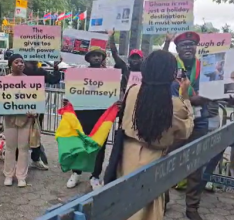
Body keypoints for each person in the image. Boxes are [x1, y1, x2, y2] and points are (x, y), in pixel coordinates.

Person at [118, 50, 194, 220]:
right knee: (146, 209)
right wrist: (185, 96)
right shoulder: (174, 104)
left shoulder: (132, 90)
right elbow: (186, 131)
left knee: (124, 201)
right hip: (152, 158)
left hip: (126, 154)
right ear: (171, 73)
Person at [163, 31, 212, 220]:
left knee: (197, 164)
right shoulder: (171, 65)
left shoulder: (206, 66)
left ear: (196, 47)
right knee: (167, 161)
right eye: (184, 45)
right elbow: (159, 62)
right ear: (178, 49)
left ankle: (192, 208)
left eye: (191, 44)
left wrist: (191, 99)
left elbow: (212, 92)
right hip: (174, 122)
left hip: (200, 121)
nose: (188, 48)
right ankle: (163, 200)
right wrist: (194, 99)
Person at [64, 49, 110, 190]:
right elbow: (71, 92)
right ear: (88, 59)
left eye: (99, 56)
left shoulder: (109, 75)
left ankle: (95, 176)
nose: (97, 58)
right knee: (79, 145)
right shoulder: (79, 74)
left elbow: (113, 94)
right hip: (82, 115)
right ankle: (76, 173)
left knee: (99, 147)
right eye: (94, 55)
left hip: (101, 117)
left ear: (102, 58)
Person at [0, 54, 35, 187]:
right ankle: (9, 175)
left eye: (22, 62)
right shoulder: (4, 80)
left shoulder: (30, 81)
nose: (20, 64)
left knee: (23, 148)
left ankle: (21, 176)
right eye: (17, 62)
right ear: (11, 64)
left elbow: (35, 99)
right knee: (10, 147)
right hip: (9, 118)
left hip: (25, 119)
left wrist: (33, 111)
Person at [19, 60, 62, 170]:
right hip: (19, 106)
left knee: (36, 133)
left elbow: (54, 79)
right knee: (19, 133)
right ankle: (17, 162)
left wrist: (56, 68)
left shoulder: (40, 71)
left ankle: (35, 159)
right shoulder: (18, 68)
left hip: (37, 107)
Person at [107, 29, 143, 95]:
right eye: (133, 57)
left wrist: (167, 41)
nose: (135, 60)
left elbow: (161, 61)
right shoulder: (125, 68)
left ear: (142, 59)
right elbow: (114, 54)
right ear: (129, 59)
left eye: (137, 58)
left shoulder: (146, 71)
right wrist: (111, 36)